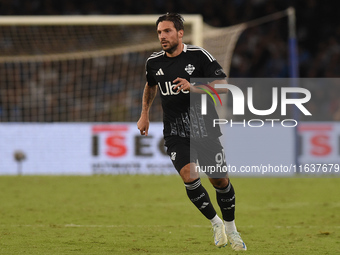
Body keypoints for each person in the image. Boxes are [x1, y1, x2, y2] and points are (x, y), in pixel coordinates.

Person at [137, 13, 246, 251]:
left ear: (179, 33)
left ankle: (232, 229)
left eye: (166, 31)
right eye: (159, 33)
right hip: (175, 132)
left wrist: (193, 87)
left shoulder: (199, 56)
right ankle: (215, 223)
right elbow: (150, 85)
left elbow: (223, 86)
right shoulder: (154, 62)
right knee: (189, 175)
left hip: (205, 129)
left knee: (220, 180)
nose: (162, 37)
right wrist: (144, 113)